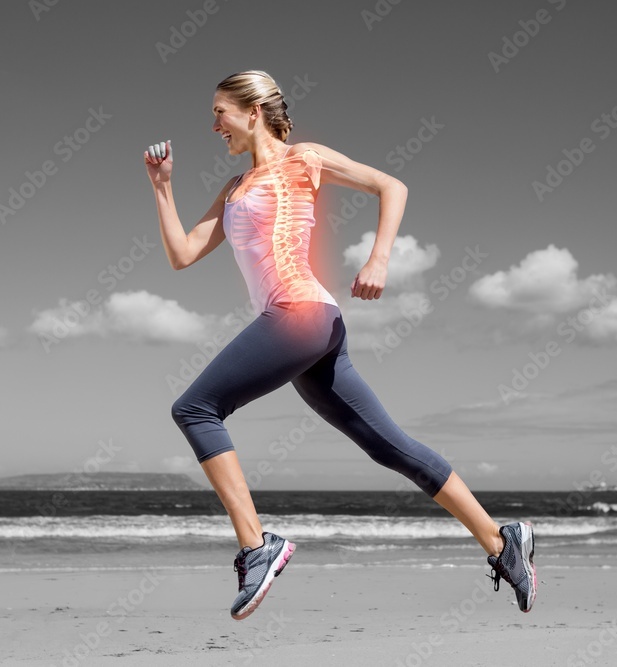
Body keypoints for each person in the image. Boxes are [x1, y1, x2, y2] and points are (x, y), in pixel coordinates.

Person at [144, 70, 536, 620]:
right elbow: (182, 254)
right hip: (309, 327)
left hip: (300, 313)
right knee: (387, 446)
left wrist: (379, 258)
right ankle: (502, 541)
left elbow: (391, 186)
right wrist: (162, 188)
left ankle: (258, 547)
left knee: (195, 408)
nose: (214, 126)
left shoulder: (303, 158)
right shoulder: (234, 189)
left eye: (220, 113)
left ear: (253, 110)